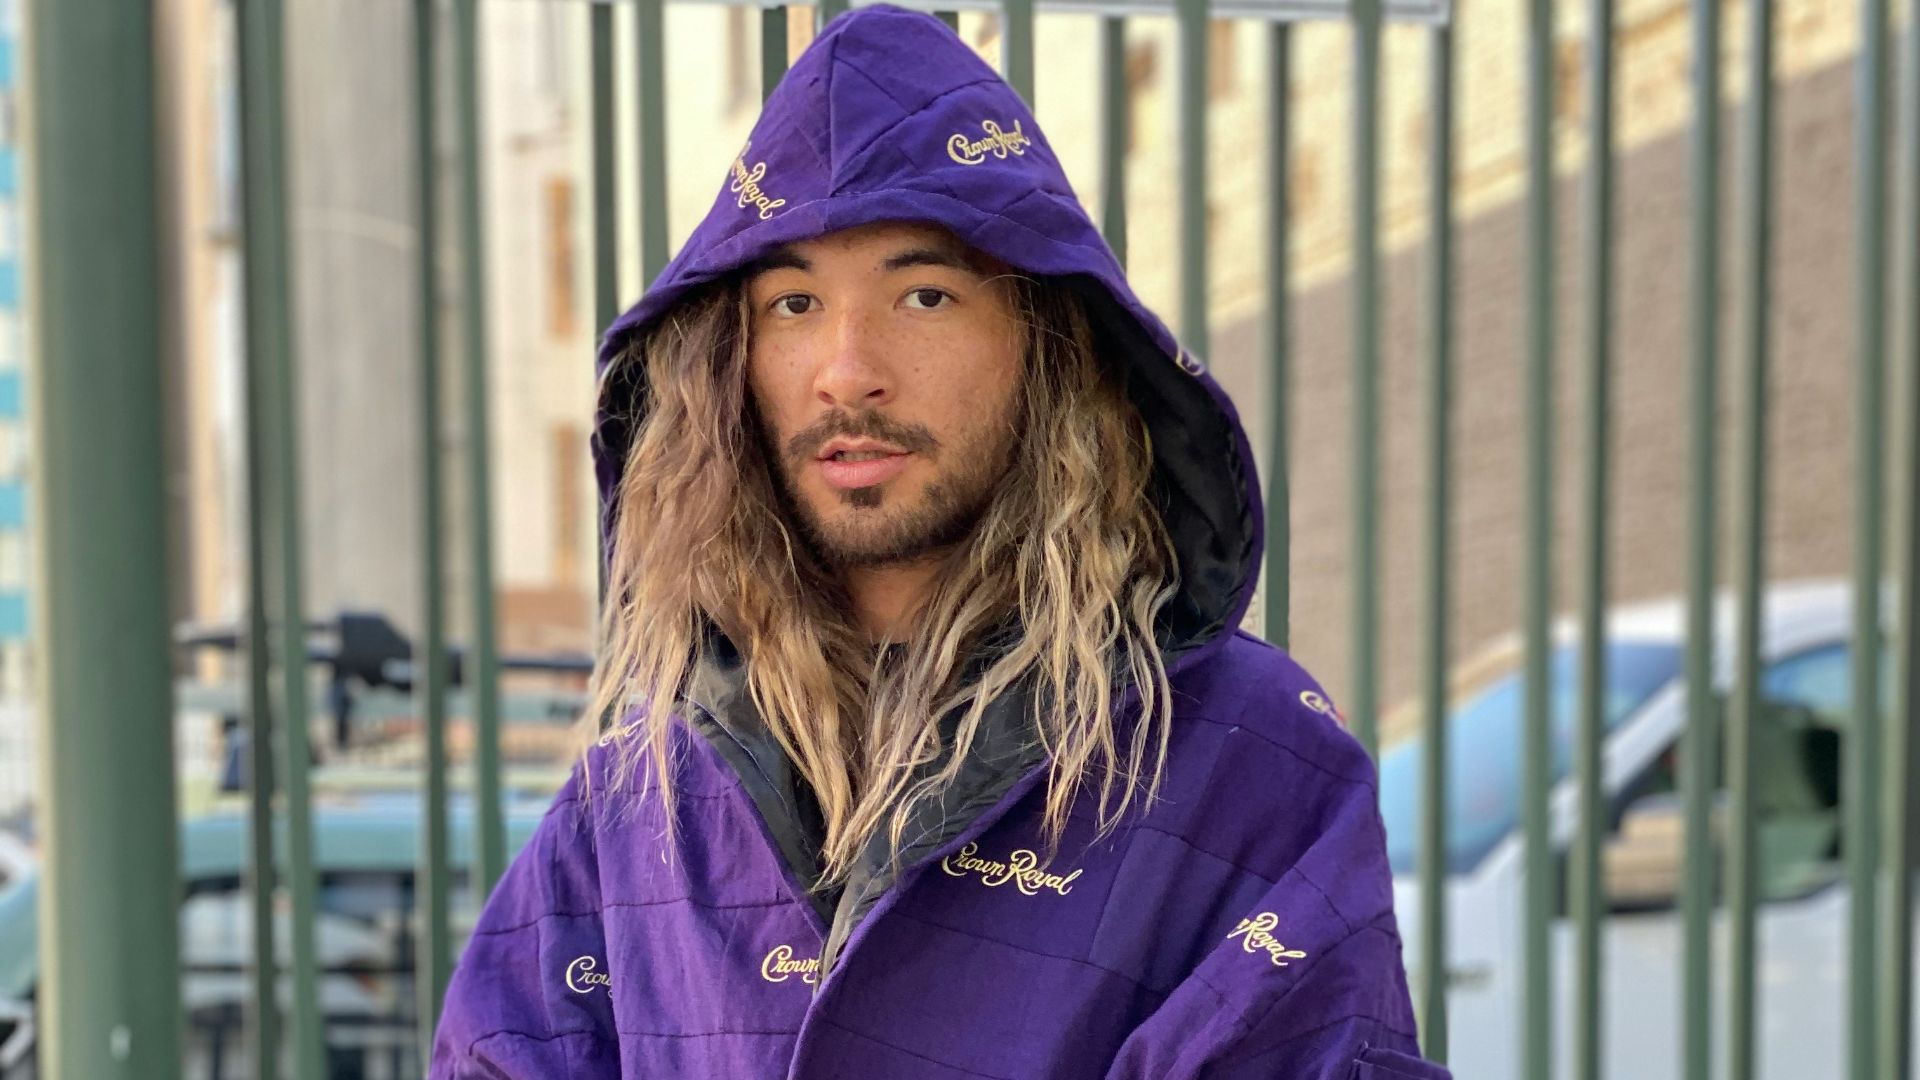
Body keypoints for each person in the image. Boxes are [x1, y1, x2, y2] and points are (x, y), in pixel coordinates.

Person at [430, 6, 1448, 1078]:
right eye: (791, 303)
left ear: (1049, 347)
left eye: (925, 293)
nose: (847, 367)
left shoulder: (1248, 758)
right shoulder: (642, 796)